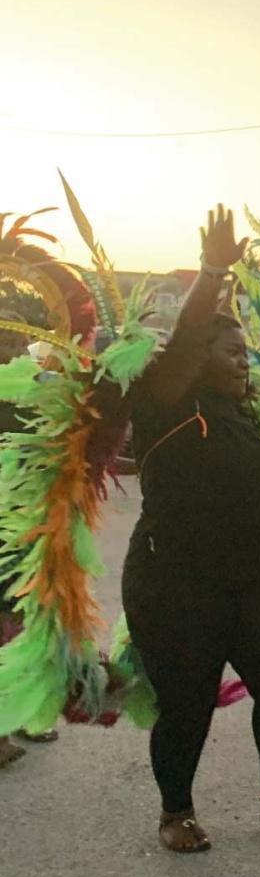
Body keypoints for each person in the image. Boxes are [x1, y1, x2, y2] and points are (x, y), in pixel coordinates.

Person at [122, 206, 260, 852]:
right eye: (231, 352)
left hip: (255, 577)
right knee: (187, 705)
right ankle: (176, 810)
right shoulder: (163, 403)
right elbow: (185, 340)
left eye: (246, 353)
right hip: (175, 582)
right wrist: (212, 275)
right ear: (196, 359)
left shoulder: (241, 413)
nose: (243, 362)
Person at [0, 314, 59, 768]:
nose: (17, 350)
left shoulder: (35, 384)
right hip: (10, 524)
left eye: (21, 342)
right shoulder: (21, 388)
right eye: (11, 342)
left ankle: (20, 710)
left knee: (25, 617)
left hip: (29, 521)